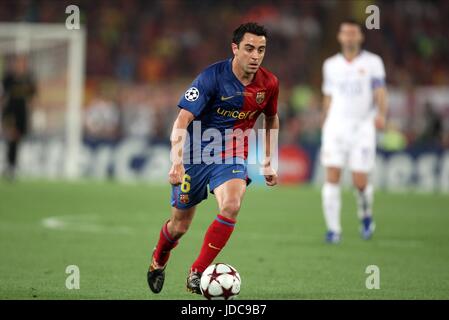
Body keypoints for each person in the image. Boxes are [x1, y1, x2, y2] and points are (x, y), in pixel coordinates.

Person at [147, 22, 279, 294]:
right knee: (179, 226)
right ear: (235, 48)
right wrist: (176, 160)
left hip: (231, 154)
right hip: (196, 155)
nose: (256, 56)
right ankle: (159, 258)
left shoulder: (269, 84)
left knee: (231, 205)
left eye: (261, 50)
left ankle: (197, 273)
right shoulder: (211, 77)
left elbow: (271, 117)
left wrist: (268, 158)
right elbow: (183, 118)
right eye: (250, 49)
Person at [320, 19, 388, 243]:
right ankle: (333, 230)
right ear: (340, 37)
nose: (349, 37)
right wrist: (324, 119)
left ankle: (366, 215)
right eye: (345, 33)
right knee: (332, 176)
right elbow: (328, 95)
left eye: (353, 33)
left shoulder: (373, 62)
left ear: (360, 37)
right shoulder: (330, 65)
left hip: (362, 126)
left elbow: (380, 91)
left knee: (360, 181)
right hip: (335, 126)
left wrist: (381, 114)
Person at [1, 56, 36, 180]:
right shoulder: (9, 78)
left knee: (17, 139)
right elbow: (3, 95)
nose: (21, 65)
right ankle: (10, 166)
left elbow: (32, 97)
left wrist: (31, 114)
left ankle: (12, 166)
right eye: (19, 63)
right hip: (10, 112)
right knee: (12, 137)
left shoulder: (29, 79)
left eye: (23, 63)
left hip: (22, 114)